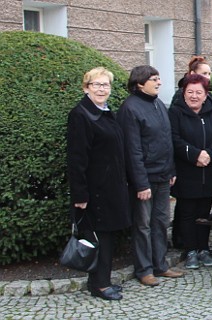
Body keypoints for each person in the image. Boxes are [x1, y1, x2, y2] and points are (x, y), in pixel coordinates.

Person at [66, 67, 130, 300]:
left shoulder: (104, 112)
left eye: (106, 85)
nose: (102, 89)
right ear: (86, 87)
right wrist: (80, 195)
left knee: (107, 236)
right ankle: (99, 285)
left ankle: (104, 280)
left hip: (111, 186)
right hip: (95, 190)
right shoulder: (81, 115)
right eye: (97, 85)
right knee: (98, 237)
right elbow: (77, 158)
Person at [118, 65, 183, 287]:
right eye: (154, 79)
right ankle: (144, 269)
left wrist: (171, 170)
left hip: (163, 176)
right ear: (139, 83)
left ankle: (160, 265)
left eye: (158, 78)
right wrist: (140, 183)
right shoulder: (130, 108)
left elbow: (167, 142)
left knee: (161, 221)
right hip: (144, 179)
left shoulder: (157, 104)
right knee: (143, 225)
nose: (159, 82)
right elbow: (132, 150)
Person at [169, 74, 212, 270]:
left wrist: (210, 154)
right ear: (184, 93)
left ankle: (203, 248)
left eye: (198, 92)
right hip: (187, 170)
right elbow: (174, 139)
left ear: (205, 95)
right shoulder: (176, 112)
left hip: (209, 170)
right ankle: (190, 249)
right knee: (187, 212)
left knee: (204, 212)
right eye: (190, 92)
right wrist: (195, 155)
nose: (194, 96)